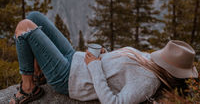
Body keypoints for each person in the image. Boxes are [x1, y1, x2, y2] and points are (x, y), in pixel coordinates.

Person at [9, 11, 198, 104]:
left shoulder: (148, 82)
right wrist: (106, 56)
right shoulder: (150, 61)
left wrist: (95, 65)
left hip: (69, 78)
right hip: (75, 58)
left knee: (25, 27)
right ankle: (40, 72)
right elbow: (119, 68)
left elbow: (114, 102)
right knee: (34, 17)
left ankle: (29, 88)